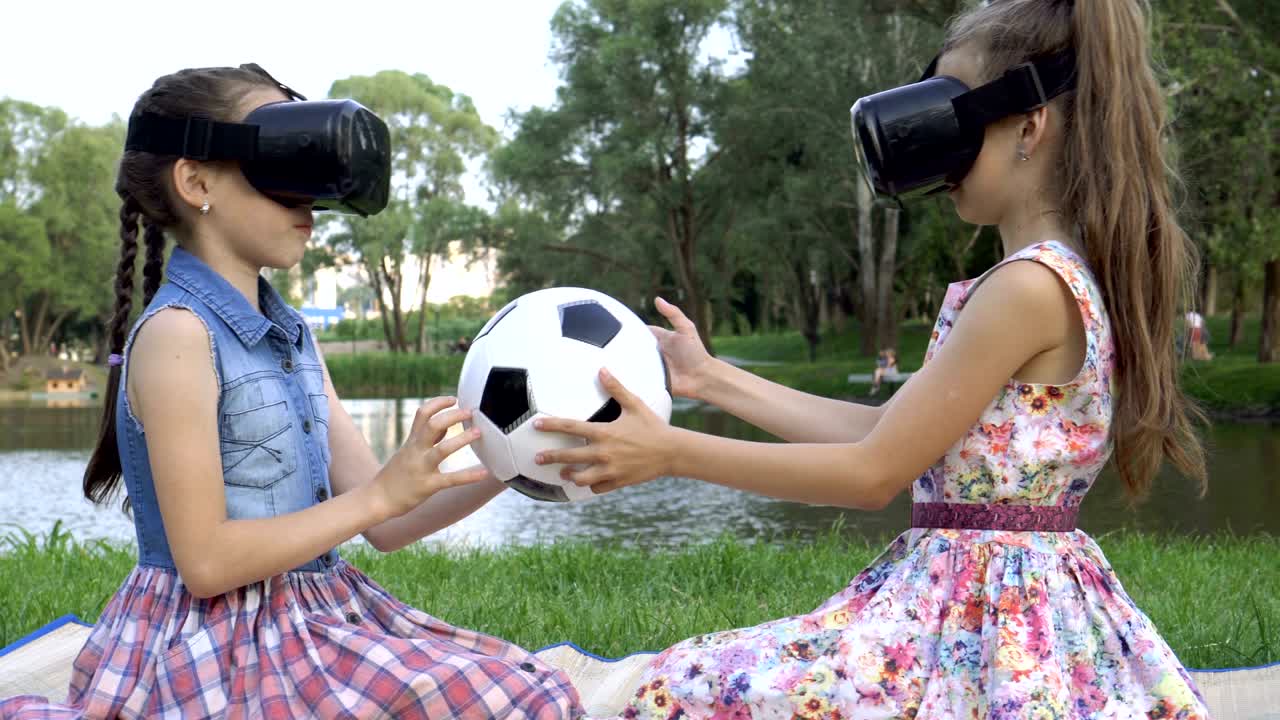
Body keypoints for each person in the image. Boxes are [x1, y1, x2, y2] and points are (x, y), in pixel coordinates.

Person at [532, 1, 1211, 717]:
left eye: (951, 116)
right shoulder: (1053, 275)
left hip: (982, 625)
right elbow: (884, 432)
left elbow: (870, 474)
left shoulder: (1026, 288)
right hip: (1000, 611)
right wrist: (710, 379)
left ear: (1029, 126)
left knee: (681, 685)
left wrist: (671, 452)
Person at [0, 65, 580, 719]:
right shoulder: (177, 336)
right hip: (211, 641)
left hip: (315, 617)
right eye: (282, 172)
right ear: (196, 182)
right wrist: (377, 495)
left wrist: (518, 458)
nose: (308, 205)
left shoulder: (295, 334)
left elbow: (387, 524)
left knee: (533, 691)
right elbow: (208, 564)